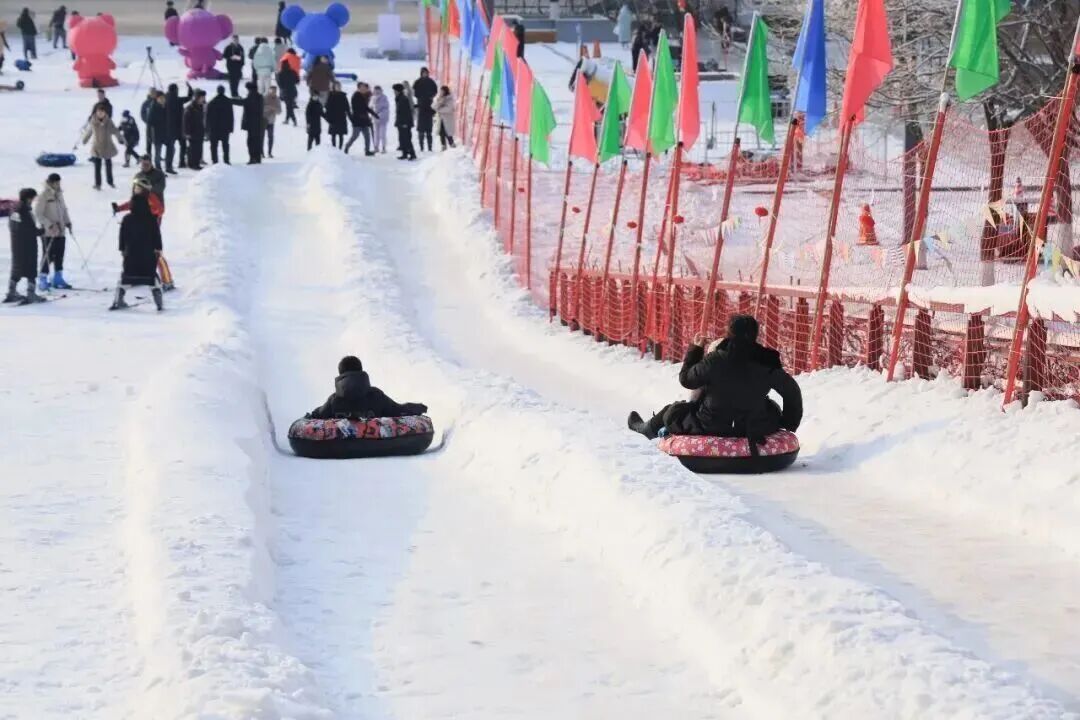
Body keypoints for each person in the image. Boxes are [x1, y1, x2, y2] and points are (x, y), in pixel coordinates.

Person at [627, 315, 803, 444]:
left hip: (710, 425)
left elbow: (687, 380)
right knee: (771, 407)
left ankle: (645, 429)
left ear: (729, 333)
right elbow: (792, 392)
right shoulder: (766, 361)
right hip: (753, 426)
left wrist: (696, 349)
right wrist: (788, 422)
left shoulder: (716, 358)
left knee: (672, 411)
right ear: (755, 335)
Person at [306, 356, 428, 420]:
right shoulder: (376, 395)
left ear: (340, 375)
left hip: (340, 446)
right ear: (361, 372)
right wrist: (416, 408)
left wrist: (308, 417)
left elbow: (318, 416)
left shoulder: (334, 400)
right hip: (379, 445)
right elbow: (397, 410)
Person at [111, 188, 164, 312]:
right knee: (152, 279)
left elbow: (122, 238)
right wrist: (158, 249)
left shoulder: (127, 220)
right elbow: (157, 236)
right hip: (148, 257)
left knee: (126, 277)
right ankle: (158, 302)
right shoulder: (151, 219)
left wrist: (123, 250)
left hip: (131, 256)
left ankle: (119, 298)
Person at [33, 174, 72, 291]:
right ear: (50, 182)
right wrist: (49, 224)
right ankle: (43, 279)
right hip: (49, 232)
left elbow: (64, 210)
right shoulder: (44, 195)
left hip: (60, 231)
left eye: (59, 183)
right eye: (56, 183)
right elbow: (38, 214)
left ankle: (58, 278)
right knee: (48, 255)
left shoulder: (59, 194)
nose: (58, 185)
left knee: (59, 254)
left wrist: (68, 222)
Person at [5, 188, 43, 305]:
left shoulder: (14, 209)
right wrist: (42, 231)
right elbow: (29, 229)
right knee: (31, 267)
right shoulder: (24, 211)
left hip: (16, 243)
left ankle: (11, 291)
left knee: (17, 266)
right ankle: (31, 293)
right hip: (28, 244)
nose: (33, 201)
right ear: (28, 198)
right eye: (33, 198)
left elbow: (12, 226)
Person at [82, 103, 124, 190]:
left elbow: (115, 130)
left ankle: (110, 181)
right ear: (96, 112)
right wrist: (85, 139)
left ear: (105, 113)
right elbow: (89, 131)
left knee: (108, 165)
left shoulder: (109, 121)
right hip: (97, 146)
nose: (100, 113)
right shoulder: (93, 121)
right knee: (97, 166)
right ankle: (98, 184)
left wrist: (120, 139)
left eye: (102, 112)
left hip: (107, 146)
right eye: (99, 112)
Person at [164, 82, 193, 172]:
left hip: (169, 128)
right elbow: (189, 97)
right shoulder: (178, 100)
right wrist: (190, 88)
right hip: (180, 127)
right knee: (183, 146)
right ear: (176, 90)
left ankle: (168, 165)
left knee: (170, 148)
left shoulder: (165, 100)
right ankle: (181, 162)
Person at [233, 81, 264, 163]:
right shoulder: (260, 97)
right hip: (258, 123)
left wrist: (231, 100)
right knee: (257, 141)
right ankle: (258, 158)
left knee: (251, 141)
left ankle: (252, 158)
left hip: (251, 123)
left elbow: (243, 102)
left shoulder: (251, 97)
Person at [344, 82, 377, 155]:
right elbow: (358, 108)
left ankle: (367, 151)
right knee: (355, 136)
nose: (364, 88)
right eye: (362, 87)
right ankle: (347, 147)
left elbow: (366, 107)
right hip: (357, 120)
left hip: (364, 120)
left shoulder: (363, 96)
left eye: (364, 87)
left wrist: (374, 114)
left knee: (367, 136)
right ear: (358, 88)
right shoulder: (355, 96)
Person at [206, 85, 234, 163]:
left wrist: (207, 129)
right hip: (225, 128)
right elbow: (231, 116)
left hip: (214, 128)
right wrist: (231, 127)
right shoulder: (228, 101)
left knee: (214, 146)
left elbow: (207, 117)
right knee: (225, 145)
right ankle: (226, 160)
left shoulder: (212, 102)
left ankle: (214, 160)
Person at [412, 67, 437, 153]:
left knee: (429, 130)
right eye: (423, 73)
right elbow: (414, 92)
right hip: (421, 107)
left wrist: (431, 96)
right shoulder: (418, 82)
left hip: (429, 107)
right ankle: (421, 147)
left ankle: (430, 147)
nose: (425, 74)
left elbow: (435, 90)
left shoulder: (431, 82)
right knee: (421, 130)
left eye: (426, 73)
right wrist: (420, 97)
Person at [183, 90, 207, 170]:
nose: (203, 99)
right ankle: (192, 164)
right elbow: (186, 120)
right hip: (192, 131)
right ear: (197, 98)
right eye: (201, 97)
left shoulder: (201, 106)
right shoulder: (190, 107)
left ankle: (196, 163)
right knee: (193, 148)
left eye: (203, 97)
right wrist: (187, 132)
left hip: (200, 130)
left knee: (199, 148)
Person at [393, 83, 416, 160]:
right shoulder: (399, 98)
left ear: (398, 91)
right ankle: (404, 153)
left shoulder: (403, 99)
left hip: (405, 123)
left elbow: (406, 112)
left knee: (407, 139)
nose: (394, 92)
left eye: (395, 90)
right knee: (402, 138)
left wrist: (405, 123)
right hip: (400, 122)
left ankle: (412, 153)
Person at [324, 81, 349, 149]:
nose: (337, 88)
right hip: (333, 118)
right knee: (333, 134)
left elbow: (347, 107)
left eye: (339, 86)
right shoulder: (331, 95)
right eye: (336, 86)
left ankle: (340, 148)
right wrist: (327, 117)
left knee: (341, 135)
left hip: (341, 117)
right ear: (334, 87)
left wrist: (350, 116)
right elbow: (327, 106)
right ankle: (334, 148)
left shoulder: (343, 95)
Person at [277, 56, 299, 125]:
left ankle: (294, 120)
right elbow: (297, 81)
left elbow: (280, 84)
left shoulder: (280, 74)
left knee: (289, 107)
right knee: (289, 106)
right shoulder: (293, 72)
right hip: (293, 91)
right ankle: (287, 120)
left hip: (285, 92)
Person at [149, 91, 168, 170]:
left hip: (165, 132)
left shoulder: (165, 107)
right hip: (156, 133)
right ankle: (158, 169)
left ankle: (168, 166)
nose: (163, 100)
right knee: (158, 152)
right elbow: (150, 121)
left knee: (171, 149)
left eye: (163, 98)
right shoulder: (154, 107)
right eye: (161, 98)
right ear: (157, 99)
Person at [435, 85, 456, 150]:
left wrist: (440, 109)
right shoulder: (439, 98)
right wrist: (439, 102)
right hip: (440, 119)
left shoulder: (449, 99)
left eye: (442, 91)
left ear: (445, 91)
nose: (441, 92)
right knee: (441, 132)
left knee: (447, 132)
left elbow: (449, 109)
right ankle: (443, 145)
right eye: (440, 91)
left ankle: (452, 144)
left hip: (447, 119)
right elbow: (433, 106)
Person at [263, 85, 281, 158]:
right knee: (262, 137)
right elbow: (261, 108)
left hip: (271, 121)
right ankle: (261, 152)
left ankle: (270, 152)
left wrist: (274, 109)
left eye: (274, 91)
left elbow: (279, 111)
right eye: (272, 91)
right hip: (264, 120)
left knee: (271, 137)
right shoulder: (265, 98)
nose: (273, 92)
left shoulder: (277, 99)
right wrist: (269, 107)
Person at [372, 85, 390, 154]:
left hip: (383, 119)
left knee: (382, 134)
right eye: (375, 90)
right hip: (375, 119)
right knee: (376, 134)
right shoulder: (373, 98)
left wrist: (379, 116)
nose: (376, 92)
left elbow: (386, 108)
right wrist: (372, 115)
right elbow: (371, 107)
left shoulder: (384, 98)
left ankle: (384, 147)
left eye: (378, 90)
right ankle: (376, 147)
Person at [139, 89, 157, 156]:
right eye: (152, 93)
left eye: (154, 93)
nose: (153, 94)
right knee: (149, 140)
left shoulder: (158, 101)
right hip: (149, 125)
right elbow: (142, 114)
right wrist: (147, 120)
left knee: (157, 141)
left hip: (158, 125)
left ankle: (157, 154)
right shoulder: (146, 103)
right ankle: (148, 154)